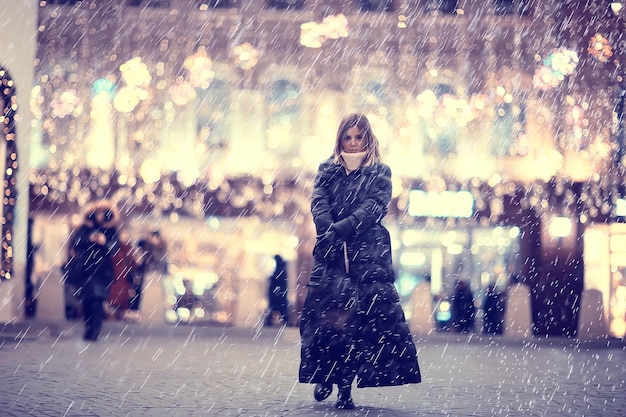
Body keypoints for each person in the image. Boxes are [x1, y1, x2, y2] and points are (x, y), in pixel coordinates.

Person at [298, 113, 422, 410]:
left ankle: (345, 386)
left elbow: (374, 208)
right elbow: (319, 202)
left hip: (367, 259)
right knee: (325, 322)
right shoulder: (327, 169)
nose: (353, 143)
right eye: (347, 137)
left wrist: (343, 228)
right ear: (340, 139)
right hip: (330, 257)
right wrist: (329, 230)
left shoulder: (380, 172)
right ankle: (323, 374)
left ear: (368, 139)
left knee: (359, 324)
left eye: (358, 137)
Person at [66, 200, 116, 342]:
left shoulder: (110, 230)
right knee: (87, 300)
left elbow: (114, 247)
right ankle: (89, 329)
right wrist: (89, 239)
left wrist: (104, 242)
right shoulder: (84, 228)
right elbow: (76, 243)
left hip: (101, 271)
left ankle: (94, 330)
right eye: (97, 212)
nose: (100, 215)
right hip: (86, 269)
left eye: (102, 213)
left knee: (98, 300)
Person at [264, 254, 290, 326]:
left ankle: (270, 321)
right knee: (279, 308)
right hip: (279, 293)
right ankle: (284, 320)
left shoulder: (279, 270)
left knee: (276, 307)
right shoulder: (282, 269)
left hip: (277, 293)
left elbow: (276, 280)